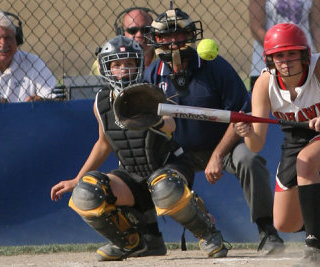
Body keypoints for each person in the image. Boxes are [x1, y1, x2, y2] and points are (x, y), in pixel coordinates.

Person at [143, 7, 285, 256]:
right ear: (156, 40)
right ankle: (205, 231)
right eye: (166, 36)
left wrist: (218, 155)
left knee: (249, 161)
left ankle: (267, 231)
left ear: (192, 35)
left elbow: (240, 112)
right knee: (163, 184)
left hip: (224, 145)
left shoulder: (214, 66)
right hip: (180, 152)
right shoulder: (153, 74)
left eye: (180, 34)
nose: (174, 42)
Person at [234, 23, 320, 266]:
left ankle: (315, 244)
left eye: (292, 53)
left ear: (304, 54)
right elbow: (255, 145)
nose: (285, 61)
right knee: (285, 223)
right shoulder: (265, 84)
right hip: (296, 140)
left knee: (306, 161)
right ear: (270, 59)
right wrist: (247, 133)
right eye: (279, 55)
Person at [51, 36, 176, 261]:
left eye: (129, 63)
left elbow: (171, 125)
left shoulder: (153, 92)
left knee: (168, 185)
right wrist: (77, 179)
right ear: (106, 68)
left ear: (139, 65)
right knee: (87, 191)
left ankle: (208, 234)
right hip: (130, 178)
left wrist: (154, 118)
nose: (123, 70)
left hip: (165, 171)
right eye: (116, 65)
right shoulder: (101, 101)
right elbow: (103, 143)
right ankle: (133, 242)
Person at [0, 10, 56, 103]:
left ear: (17, 40)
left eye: (8, 38)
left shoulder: (33, 62)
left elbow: (58, 99)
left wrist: (42, 101)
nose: (3, 44)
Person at [249, 0, 320, 90]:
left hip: (303, 63)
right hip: (267, 64)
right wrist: (279, 52)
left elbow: (317, 26)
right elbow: (256, 27)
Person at [90, 7, 156, 75]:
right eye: (132, 30)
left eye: (146, 30)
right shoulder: (104, 62)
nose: (139, 35)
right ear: (122, 33)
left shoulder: (163, 57)